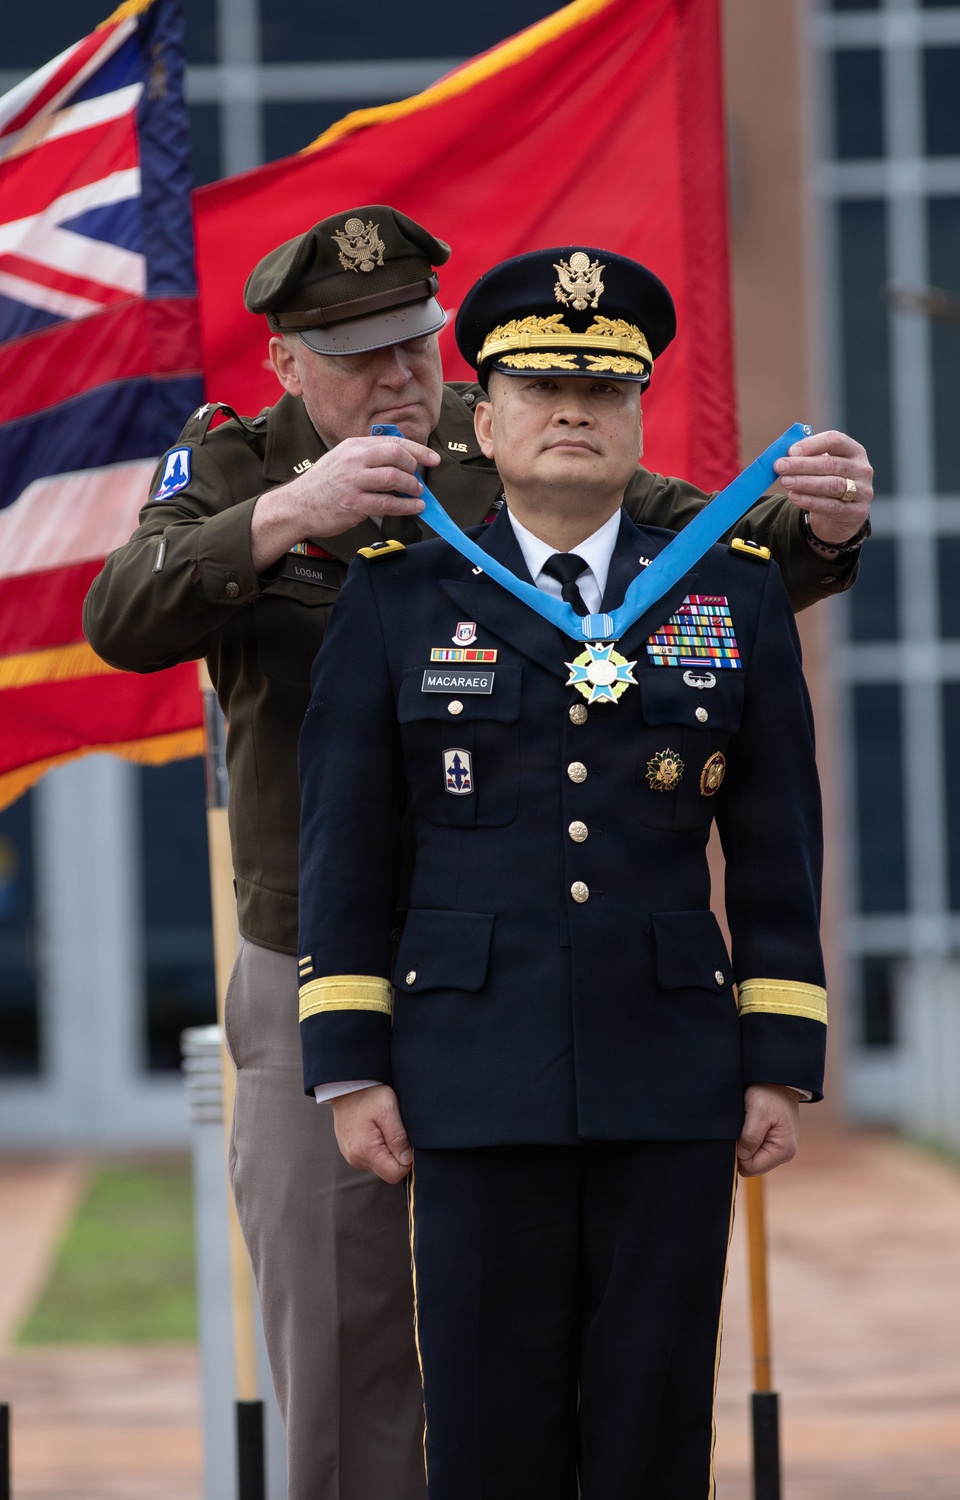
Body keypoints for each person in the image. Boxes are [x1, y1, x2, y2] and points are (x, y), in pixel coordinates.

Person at [83, 204, 869, 1500]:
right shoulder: (235, 464)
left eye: (416, 346)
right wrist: (292, 510)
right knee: (346, 1339)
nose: (400, 379)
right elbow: (122, 614)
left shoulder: (495, 434)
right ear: (285, 364)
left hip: (525, 968)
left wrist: (823, 530)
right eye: (360, 355)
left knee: (569, 1353)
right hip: (313, 952)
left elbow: (689, 538)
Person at [297, 247, 829, 1500]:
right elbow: (346, 845)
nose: (574, 412)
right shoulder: (396, 593)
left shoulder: (730, 592)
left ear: (641, 417)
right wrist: (350, 1062)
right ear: (482, 420)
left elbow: (771, 846)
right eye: (539, 388)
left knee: (651, 1421)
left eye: (604, 391)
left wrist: (778, 1063)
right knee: (489, 1425)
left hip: (671, 1066)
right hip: (468, 1067)